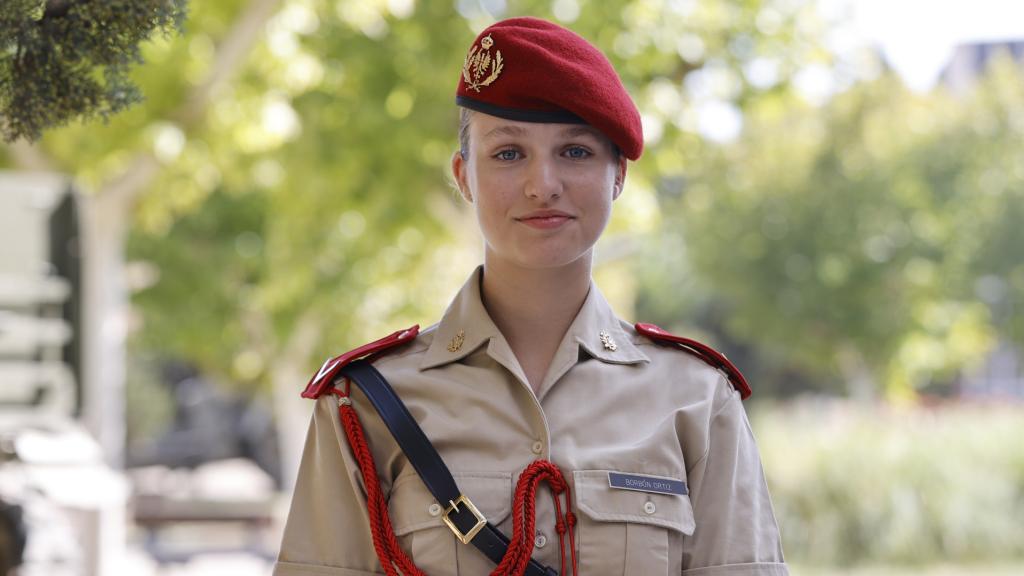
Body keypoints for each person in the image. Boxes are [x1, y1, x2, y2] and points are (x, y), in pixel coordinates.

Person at [274, 16, 788, 576]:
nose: (543, 184)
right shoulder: (366, 402)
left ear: (618, 175)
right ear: (463, 175)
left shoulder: (697, 399)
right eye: (509, 154)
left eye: (576, 152)